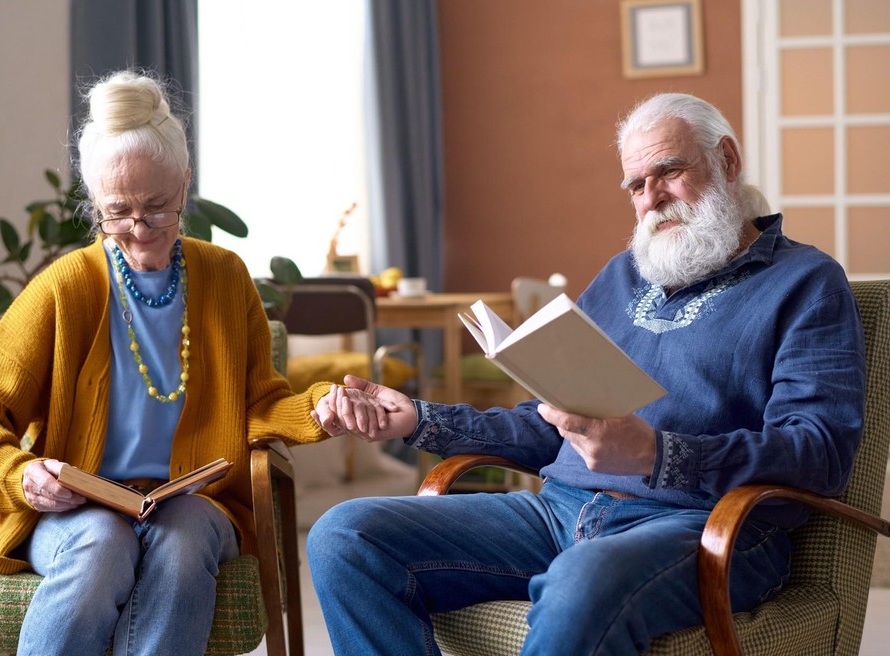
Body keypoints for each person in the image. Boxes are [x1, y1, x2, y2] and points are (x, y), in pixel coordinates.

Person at [305, 93, 867, 655]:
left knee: (583, 579)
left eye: (669, 171)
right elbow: (552, 421)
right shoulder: (623, 276)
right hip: (557, 511)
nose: (653, 199)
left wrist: (658, 454)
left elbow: (818, 452)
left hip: (702, 524)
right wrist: (420, 420)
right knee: (345, 536)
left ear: (726, 160)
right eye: (636, 185)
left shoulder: (806, 282)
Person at [0, 70, 362, 656]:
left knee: (183, 543)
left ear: (185, 184)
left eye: (157, 206)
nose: (138, 230)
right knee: (101, 545)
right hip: (81, 510)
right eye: (117, 212)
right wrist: (18, 472)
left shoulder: (225, 278)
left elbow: (259, 403)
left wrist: (321, 409)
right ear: (95, 206)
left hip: (198, 504)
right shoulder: (67, 287)